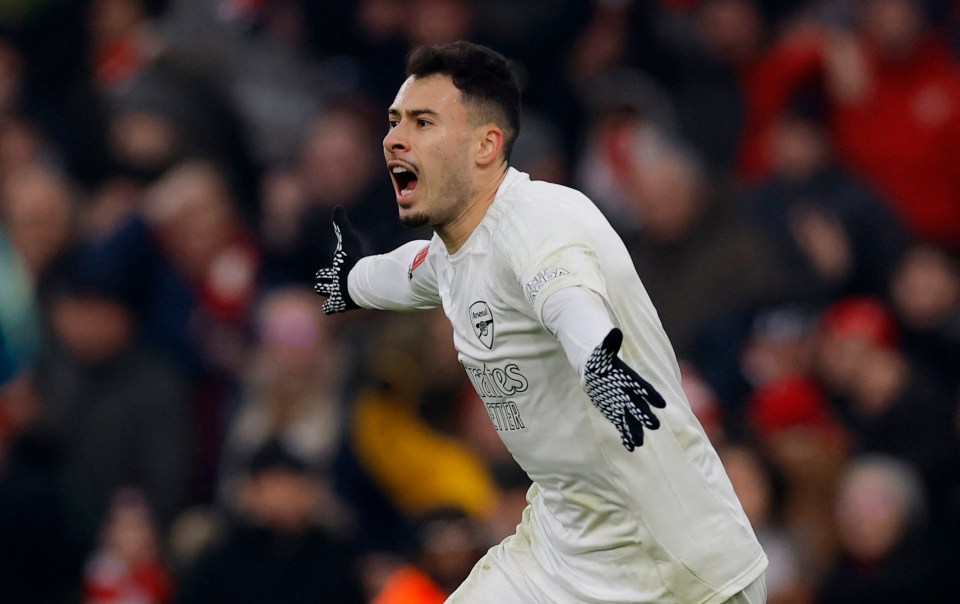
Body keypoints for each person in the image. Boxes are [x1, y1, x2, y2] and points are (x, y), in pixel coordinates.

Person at [314, 41, 767, 603]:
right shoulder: (458, 250)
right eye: (394, 121)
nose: (394, 139)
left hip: (674, 566)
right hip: (560, 549)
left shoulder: (543, 221)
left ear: (486, 144)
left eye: (423, 121)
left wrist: (600, 362)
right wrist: (346, 284)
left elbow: (566, 292)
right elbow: (411, 271)